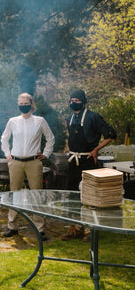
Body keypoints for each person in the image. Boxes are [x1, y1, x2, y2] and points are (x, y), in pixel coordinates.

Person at [62, 89, 116, 240]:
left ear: (83, 102)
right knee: (72, 194)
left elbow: (111, 135)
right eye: (72, 100)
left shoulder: (93, 117)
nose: (74, 103)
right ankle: (75, 229)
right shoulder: (69, 118)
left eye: (77, 100)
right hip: (73, 161)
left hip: (88, 160)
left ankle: (90, 230)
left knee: (89, 194)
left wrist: (96, 149)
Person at [1, 93, 55, 241]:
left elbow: (50, 138)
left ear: (31, 105)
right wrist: (7, 154)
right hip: (16, 162)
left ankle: (40, 229)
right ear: (18, 104)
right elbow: (4, 139)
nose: (23, 105)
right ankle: (12, 226)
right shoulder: (13, 121)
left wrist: (46, 154)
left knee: (37, 195)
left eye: (26, 103)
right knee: (14, 194)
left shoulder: (39, 121)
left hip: (33, 162)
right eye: (21, 103)